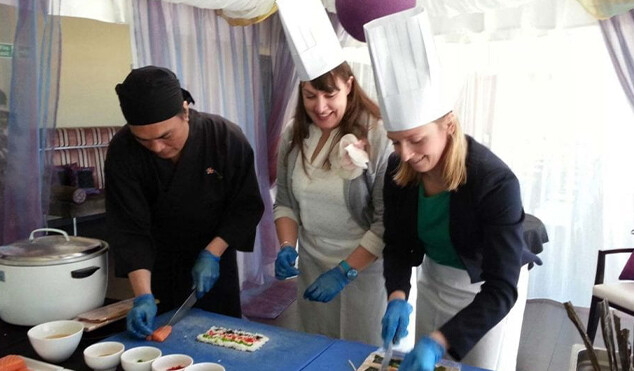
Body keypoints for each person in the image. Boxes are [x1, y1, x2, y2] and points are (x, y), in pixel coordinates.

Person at [364, 8, 541, 371]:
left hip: (487, 292)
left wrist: (440, 341)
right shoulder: (399, 169)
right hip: (436, 280)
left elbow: (501, 288)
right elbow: (398, 244)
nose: (405, 155)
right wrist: (397, 294)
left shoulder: (495, 183)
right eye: (395, 142)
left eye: (415, 140)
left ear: (448, 125)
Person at [105, 66, 264, 339]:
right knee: (160, 346)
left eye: (165, 136)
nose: (156, 148)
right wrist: (142, 295)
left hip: (214, 259)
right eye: (144, 140)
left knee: (222, 338)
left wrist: (213, 252)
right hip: (156, 263)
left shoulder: (225, 138)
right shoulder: (123, 150)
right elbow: (130, 229)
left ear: (185, 111)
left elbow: (246, 206)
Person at [273, 0, 393, 346]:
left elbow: (386, 220)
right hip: (311, 264)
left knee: (359, 351)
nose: (320, 107)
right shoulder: (294, 134)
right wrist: (285, 244)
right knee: (316, 346)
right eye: (310, 95)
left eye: (330, 93)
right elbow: (284, 202)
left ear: (350, 86)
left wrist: (345, 271)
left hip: (363, 270)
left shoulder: (377, 135)